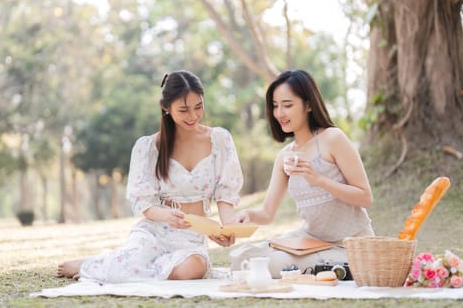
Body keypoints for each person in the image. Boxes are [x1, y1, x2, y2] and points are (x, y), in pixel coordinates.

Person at [56, 70, 243, 284]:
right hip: (155, 231)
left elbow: (226, 194)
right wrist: (166, 215)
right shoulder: (149, 147)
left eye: (198, 107)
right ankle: (98, 265)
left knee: (193, 269)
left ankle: (113, 268)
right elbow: (144, 203)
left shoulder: (219, 140)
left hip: (191, 238)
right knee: (140, 254)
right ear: (166, 108)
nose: (193, 116)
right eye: (183, 110)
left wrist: (227, 228)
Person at [229, 69, 374, 278]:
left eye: (287, 105)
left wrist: (320, 180)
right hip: (310, 242)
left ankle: (345, 266)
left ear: (307, 104)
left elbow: (365, 197)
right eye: (275, 106)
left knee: (270, 265)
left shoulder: (332, 138)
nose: (279, 113)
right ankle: (328, 268)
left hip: (349, 242)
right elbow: (267, 214)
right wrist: (248, 215)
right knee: (241, 257)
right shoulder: (285, 156)